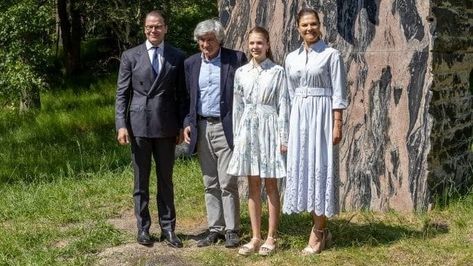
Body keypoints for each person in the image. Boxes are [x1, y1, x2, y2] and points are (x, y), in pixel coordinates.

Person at [115, 10, 188, 248]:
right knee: (141, 181)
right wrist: (121, 124)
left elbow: (182, 96)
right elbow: (121, 94)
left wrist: (181, 125)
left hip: (166, 126)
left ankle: (168, 228)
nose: (153, 31)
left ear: (165, 28)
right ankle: (143, 228)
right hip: (138, 126)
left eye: (157, 26)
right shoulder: (130, 56)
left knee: (166, 180)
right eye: (149, 27)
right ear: (144, 28)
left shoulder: (177, 56)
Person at [282, 7, 348, 255]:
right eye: (305, 25)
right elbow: (289, 95)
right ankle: (320, 226)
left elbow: (339, 92)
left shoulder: (332, 55)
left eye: (313, 24)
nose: (309, 29)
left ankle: (319, 231)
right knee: (304, 170)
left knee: (320, 168)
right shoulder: (291, 58)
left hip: (322, 116)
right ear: (297, 28)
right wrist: (287, 129)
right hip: (299, 117)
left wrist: (337, 123)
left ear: (320, 25)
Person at [183, 19, 247, 248]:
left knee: (227, 181)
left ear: (219, 39)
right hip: (201, 128)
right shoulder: (190, 63)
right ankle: (215, 228)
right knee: (209, 182)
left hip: (226, 127)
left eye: (210, 39)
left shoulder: (236, 59)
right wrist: (187, 123)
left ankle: (232, 229)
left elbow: (245, 94)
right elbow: (187, 99)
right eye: (201, 40)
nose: (206, 44)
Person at [227, 26, 290, 256]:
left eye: (259, 43)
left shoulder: (278, 72)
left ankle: (271, 237)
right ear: (248, 45)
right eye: (252, 43)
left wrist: (284, 138)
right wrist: (237, 137)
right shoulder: (241, 72)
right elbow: (237, 107)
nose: (255, 47)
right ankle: (255, 237)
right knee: (253, 185)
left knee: (270, 184)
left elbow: (284, 106)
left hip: (270, 128)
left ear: (268, 45)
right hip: (248, 130)